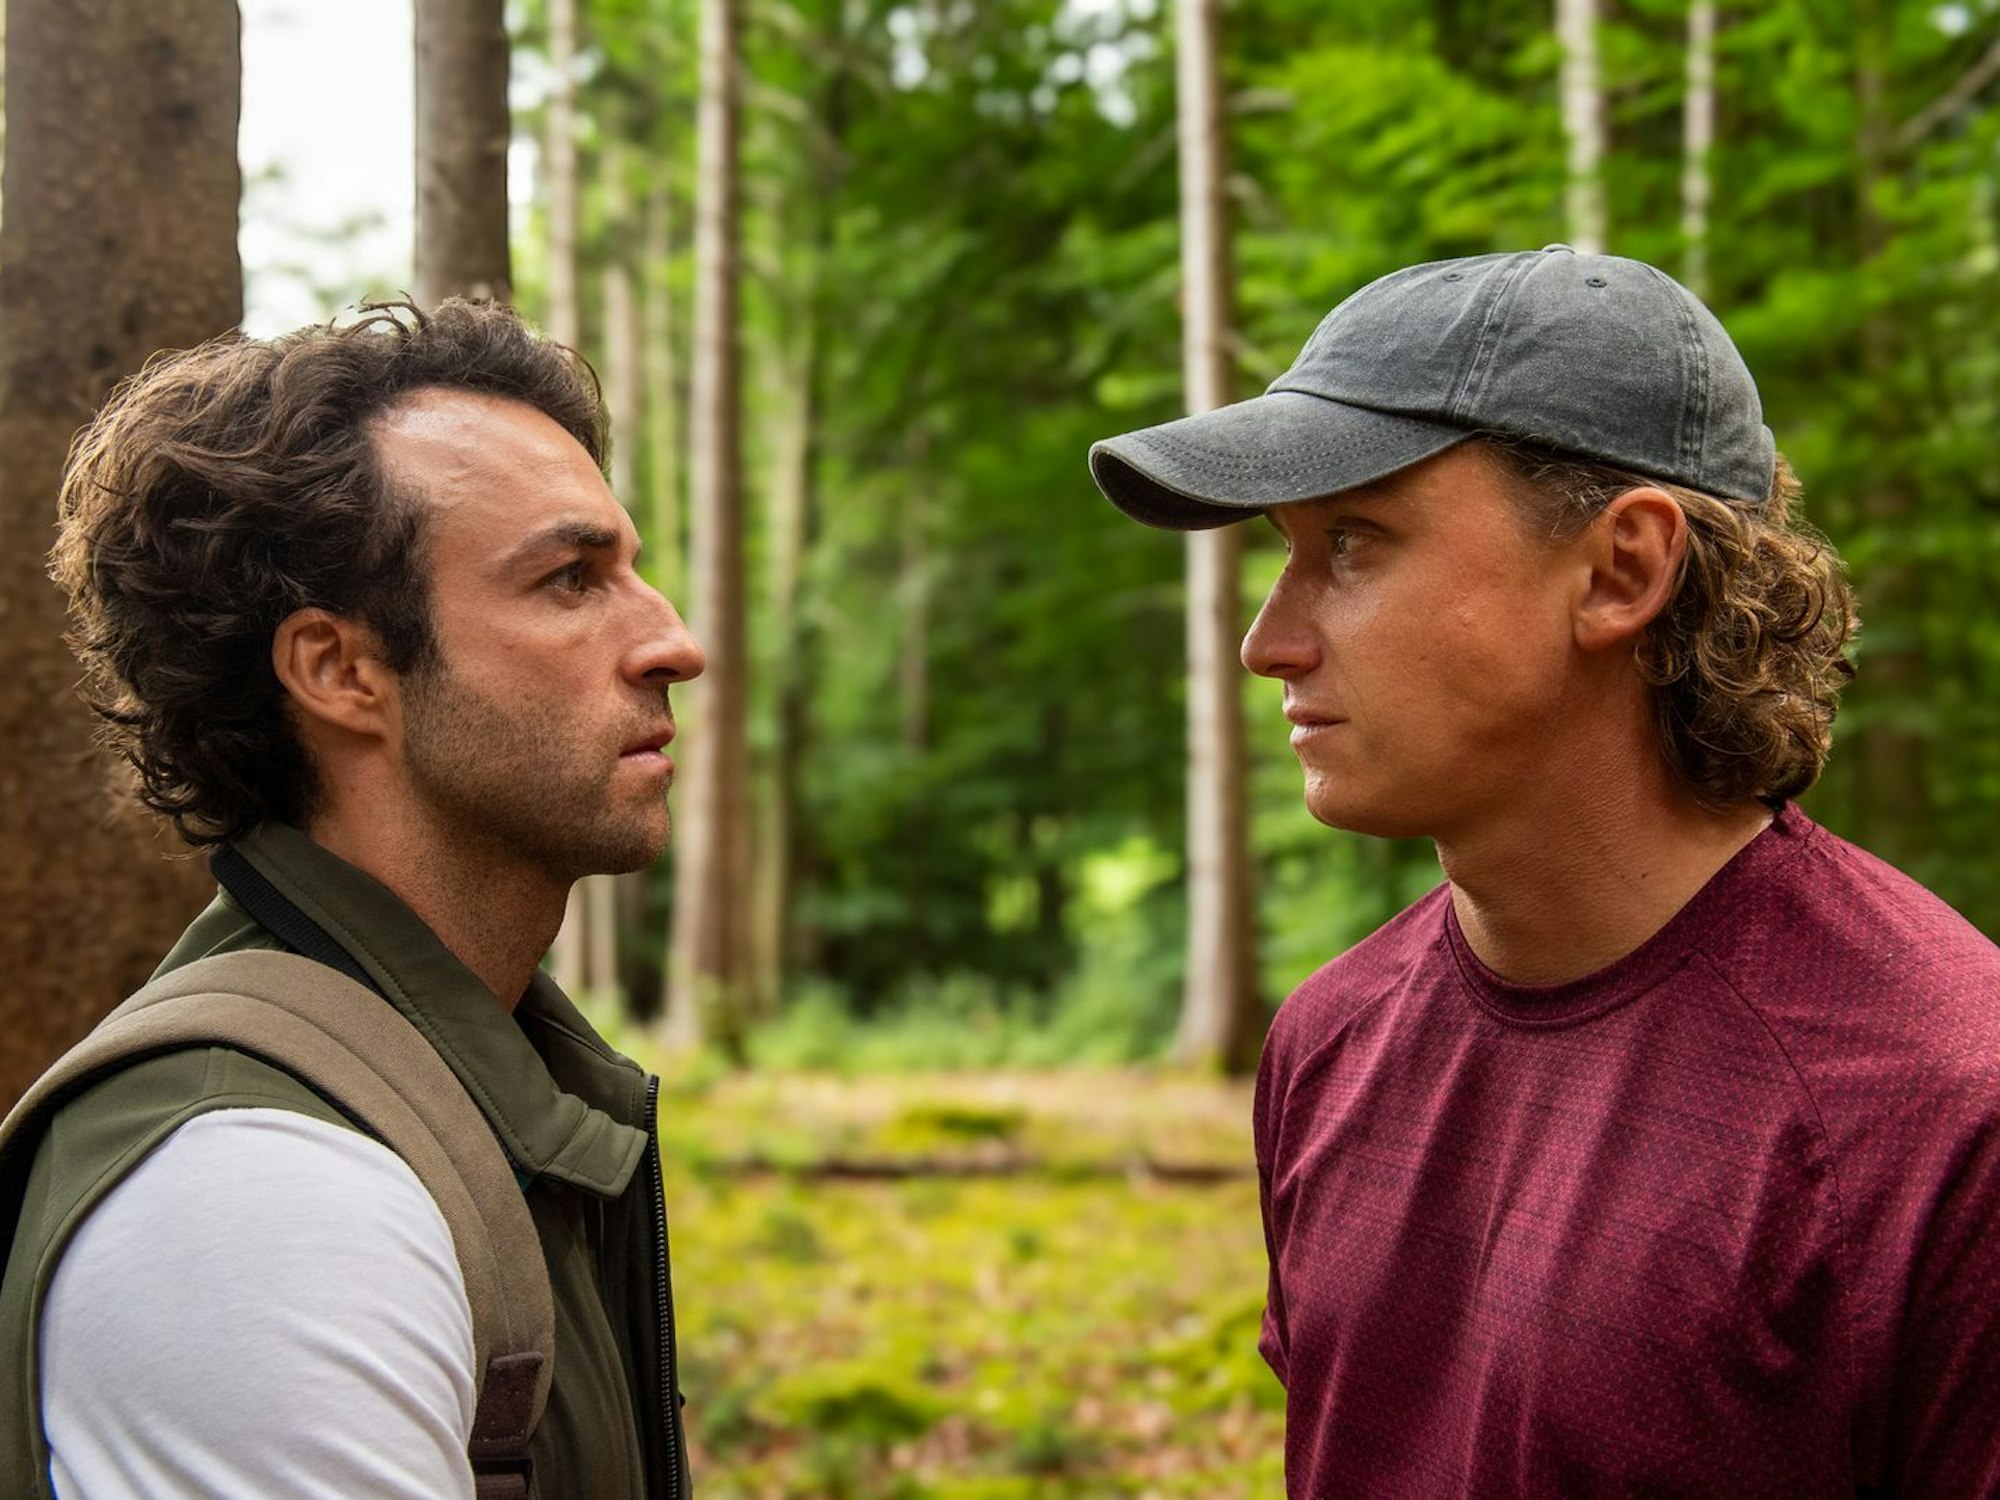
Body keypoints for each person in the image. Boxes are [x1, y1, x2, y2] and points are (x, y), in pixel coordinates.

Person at [1088, 245, 2000, 1496]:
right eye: (1280, 553)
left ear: (1620, 567)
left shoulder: (1940, 1111)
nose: (1269, 641)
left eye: (1351, 544)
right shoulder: (1329, 1043)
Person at [0, 300, 699, 1498]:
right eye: (571, 580)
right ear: (340, 670)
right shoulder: (253, 1195)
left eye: (631, 570)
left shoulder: (485, 1086)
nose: (670, 642)